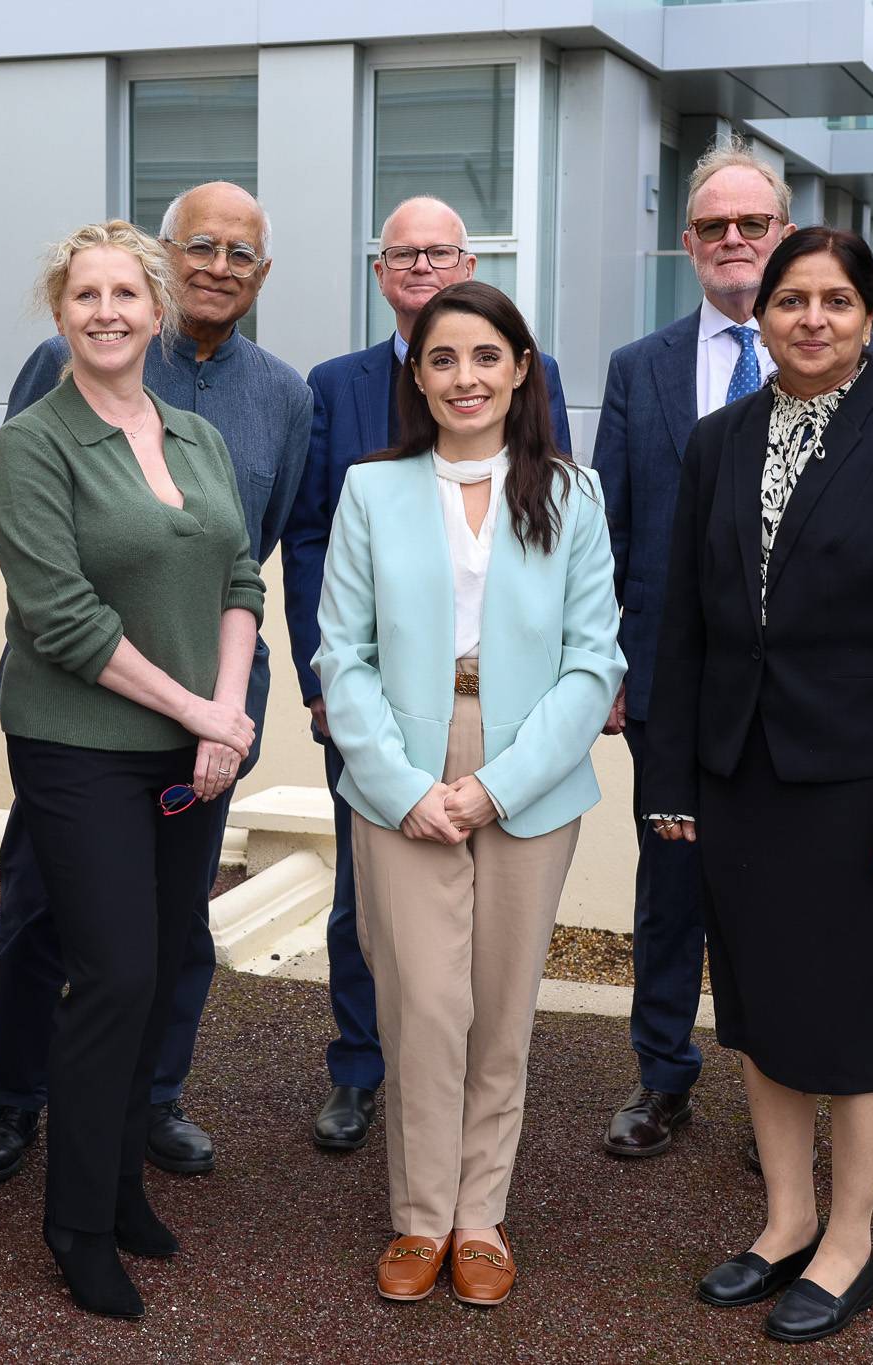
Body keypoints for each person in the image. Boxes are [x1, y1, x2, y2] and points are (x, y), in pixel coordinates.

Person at [644, 228, 873, 1342]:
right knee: (764, 1009)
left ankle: (849, 1243)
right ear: (764, 314)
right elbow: (686, 623)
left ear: (867, 314)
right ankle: (783, 1220)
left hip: (861, 788)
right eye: (791, 299)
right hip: (739, 776)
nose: (809, 319)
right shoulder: (716, 441)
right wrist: (674, 778)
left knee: (858, 1018)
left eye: (834, 301)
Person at [0, 182, 311, 1185]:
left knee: (174, 926)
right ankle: (16, 1097)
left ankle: (152, 1097)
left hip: (208, 728)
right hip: (77, 723)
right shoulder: (63, 369)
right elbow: (42, 553)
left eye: (239, 253)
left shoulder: (281, 400)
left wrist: (227, 713)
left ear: (260, 274)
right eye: (198, 245)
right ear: (167, 262)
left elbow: (253, 556)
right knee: (42, 910)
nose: (218, 264)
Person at [315, 281, 622, 1307]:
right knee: (422, 1004)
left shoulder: (572, 496)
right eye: (442, 359)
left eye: (486, 357)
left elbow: (593, 664)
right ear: (417, 373)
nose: (465, 377)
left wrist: (490, 786)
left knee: (498, 1007)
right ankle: (417, 1215)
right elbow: (340, 658)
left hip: (527, 768)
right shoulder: (370, 491)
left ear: (520, 369)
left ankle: (477, 1214)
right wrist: (404, 786)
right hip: (398, 766)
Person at [282, 195, 572, 1153]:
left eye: (438, 250)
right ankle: (361, 1068)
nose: (420, 266)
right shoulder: (338, 385)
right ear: (381, 274)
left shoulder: (543, 415)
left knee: (490, 972)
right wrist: (328, 681)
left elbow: (556, 546)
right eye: (401, 253)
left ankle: (475, 1187)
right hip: (376, 696)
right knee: (374, 916)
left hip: (512, 717)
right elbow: (313, 532)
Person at [592, 141, 795, 1160]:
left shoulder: (843, 361)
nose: (730, 241)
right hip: (667, 679)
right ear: (686, 245)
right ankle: (661, 1076)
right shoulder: (639, 370)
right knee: (669, 887)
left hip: (799, 690)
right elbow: (604, 534)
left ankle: (782, 1094)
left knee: (780, 890)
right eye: (712, 227)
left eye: (749, 225)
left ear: (782, 234)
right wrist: (607, 666)